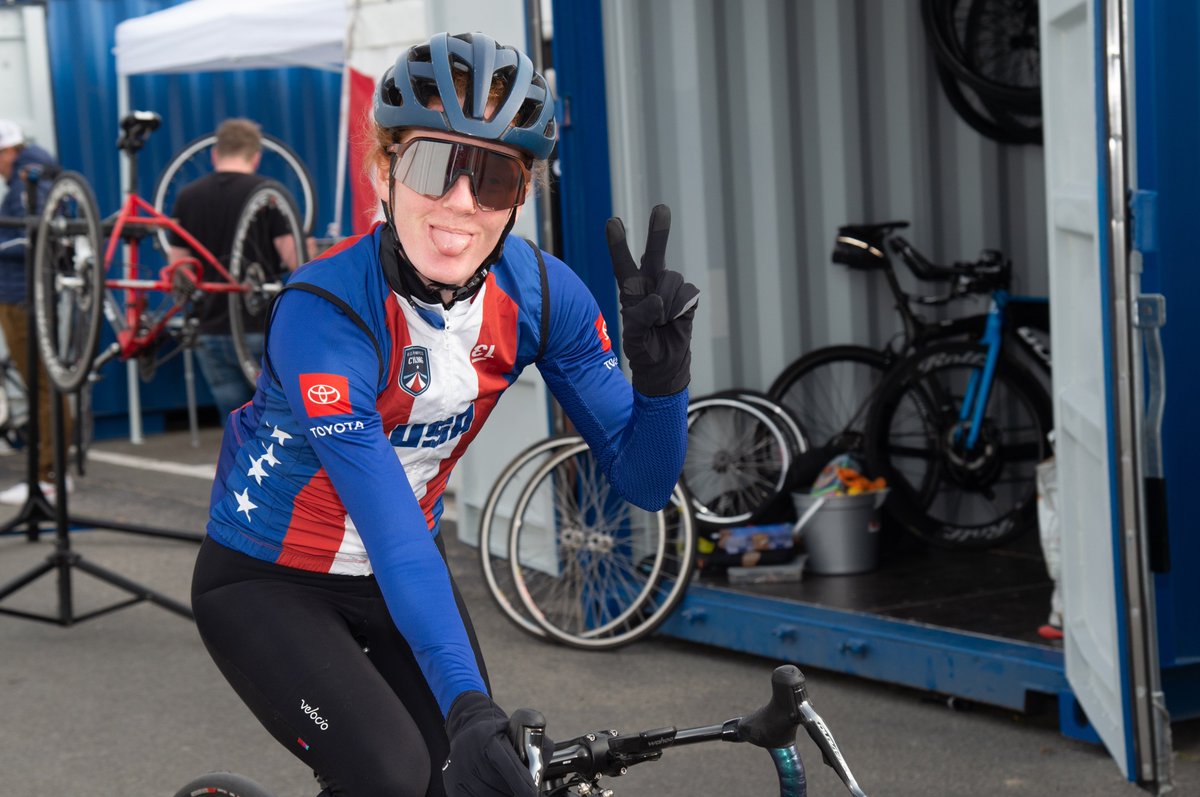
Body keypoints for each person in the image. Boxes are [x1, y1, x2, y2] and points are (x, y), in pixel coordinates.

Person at [189, 31, 699, 797]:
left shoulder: (542, 293)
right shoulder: (325, 313)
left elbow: (647, 482)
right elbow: (391, 531)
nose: (461, 203)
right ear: (383, 171)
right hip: (268, 579)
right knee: (393, 772)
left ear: (519, 195)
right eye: (435, 165)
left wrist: (663, 386)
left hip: (400, 580)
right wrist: (467, 706)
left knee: (468, 779)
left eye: (493, 177)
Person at [167, 118, 303, 418]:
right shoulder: (269, 193)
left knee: (236, 423)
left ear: (216, 154)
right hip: (260, 328)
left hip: (209, 328)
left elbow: (178, 264)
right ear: (256, 156)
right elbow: (296, 259)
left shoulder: (188, 196)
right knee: (278, 420)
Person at [0, 119, 74, 504]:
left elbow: (37, 236)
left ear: (8, 150)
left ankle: (50, 477)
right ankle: (50, 474)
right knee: (42, 385)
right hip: (22, 292)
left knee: (42, 385)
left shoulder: (30, 177)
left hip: (24, 295)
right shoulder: (29, 175)